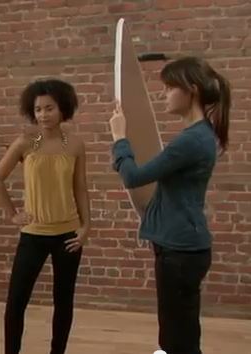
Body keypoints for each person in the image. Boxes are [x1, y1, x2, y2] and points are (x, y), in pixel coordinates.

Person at [109, 56, 231, 354]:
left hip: (180, 252)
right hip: (183, 248)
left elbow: (133, 177)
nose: (164, 95)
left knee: (177, 339)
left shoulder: (190, 141)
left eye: (168, 88)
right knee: (181, 331)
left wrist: (119, 138)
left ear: (190, 90)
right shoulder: (199, 136)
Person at [0, 79, 91, 354]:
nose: (43, 115)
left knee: (63, 301)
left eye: (49, 108)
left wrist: (86, 227)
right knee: (16, 302)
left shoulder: (75, 144)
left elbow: (80, 188)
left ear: (63, 110)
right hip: (33, 235)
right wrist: (13, 215)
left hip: (68, 236)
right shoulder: (26, 143)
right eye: (38, 109)